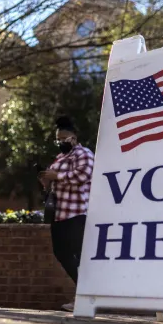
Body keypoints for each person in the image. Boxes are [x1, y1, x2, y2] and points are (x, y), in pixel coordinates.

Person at [39, 117, 95, 312]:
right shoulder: (59, 158)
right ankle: (84, 293)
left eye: (64, 138)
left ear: (74, 137)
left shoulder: (83, 153)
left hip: (77, 212)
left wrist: (58, 176)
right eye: (58, 139)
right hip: (59, 213)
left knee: (79, 255)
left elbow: (83, 175)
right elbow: (55, 182)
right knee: (60, 252)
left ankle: (85, 296)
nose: (61, 142)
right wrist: (46, 181)